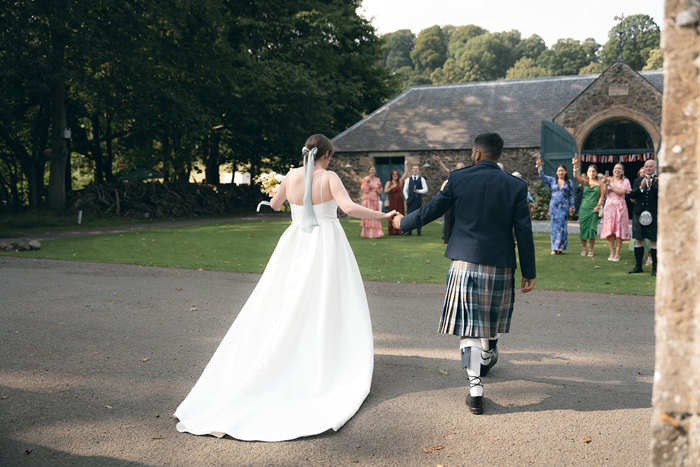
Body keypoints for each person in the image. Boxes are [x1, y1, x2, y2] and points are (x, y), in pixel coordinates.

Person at [174, 134, 396, 441]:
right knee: (324, 297)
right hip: (325, 242)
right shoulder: (329, 177)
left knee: (284, 296)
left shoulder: (291, 176)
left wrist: (273, 189)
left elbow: (277, 204)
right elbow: (348, 207)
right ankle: (323, 352)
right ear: (327, 155)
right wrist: (382, 214)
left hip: (295, 241)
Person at [393, 133, 536, 415]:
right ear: (499, 154)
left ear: (476, 152)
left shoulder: (459, 178)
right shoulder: (515, 185)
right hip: (500, 264)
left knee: (468, 326)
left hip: (465, 262)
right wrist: (529, 270)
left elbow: (432, 209)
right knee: (488, 318)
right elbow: (524, 231)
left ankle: (475, 389)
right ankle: (487, 354)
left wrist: (403, 222)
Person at [535, 161, 575, 255]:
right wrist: (539, 167)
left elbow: (571, 195)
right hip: (554, 206)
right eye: (559, 171)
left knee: (562, 226)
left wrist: (572, 206)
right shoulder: (552, 180)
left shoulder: (569, 182)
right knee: (554, 227)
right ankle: (554, 248)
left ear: (565, 172)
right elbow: (542, 177)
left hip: (564, 206)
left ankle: (561, 246)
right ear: (556, 172)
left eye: (562, 171)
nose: (560, 172)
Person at [628, 159, 658, 276]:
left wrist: (652, 187)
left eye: (651, 166)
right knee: (638, 240)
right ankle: (638, 266)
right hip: (638, 213)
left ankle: (655, 269)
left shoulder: (659, 180)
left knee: (654, 240)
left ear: (655, 167)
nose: (648, 168)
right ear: (644, 168)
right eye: (646, 166)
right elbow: (631, 196)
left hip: (653, 213)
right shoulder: (638, 180)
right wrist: (640, 187)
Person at [572, 158, 606, 257]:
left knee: (592, 229)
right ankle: (583, 248)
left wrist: (598, 206)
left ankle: (591, 249)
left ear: (596, 172)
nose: (592, 173)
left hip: (594, 208)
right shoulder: (585, 182)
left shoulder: (600, 183)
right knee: (583, 229)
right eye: (590, 171)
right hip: (584, 208)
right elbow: (575, 176)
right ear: (587, 172)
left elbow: (602, 196)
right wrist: (575, 165)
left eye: (593, 171)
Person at [600, 163, 631, 261]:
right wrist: (605, 183)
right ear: (612, 170)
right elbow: (604, 193)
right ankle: (611, 253)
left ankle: (617, 253)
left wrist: (611, 186)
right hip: (609, 207)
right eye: (615, 168)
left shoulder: (625, 181)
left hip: (620, 208)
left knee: (618, 231)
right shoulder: (609, 180)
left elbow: (622, 192)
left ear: (622, 171)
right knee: (610, 231)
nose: (617, 170)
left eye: (619, 168)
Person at [432, 154, 466, 243]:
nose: (460, 168)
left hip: (462, 202)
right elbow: (445, 170)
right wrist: (439, 161)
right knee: (448, 220)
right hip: (452, 202)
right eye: (459, 167)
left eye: (462, 167)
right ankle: (447, 237)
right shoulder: (453, 175)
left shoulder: (466, 176)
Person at [402, 165, 429, 236]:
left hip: (418, 199)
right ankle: (409, 231)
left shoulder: (421, 179)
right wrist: (407, 198)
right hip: (410, 200)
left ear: (418, 170)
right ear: (412, 170)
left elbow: (426, 189)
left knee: (418, 215)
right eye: (414, 169)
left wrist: (419, 191)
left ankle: (419, 231)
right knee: (409, 215)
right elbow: (404, 190)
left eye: (417, 169)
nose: (415, 170)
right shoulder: (408, 179)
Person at [360, 166, 384, 238]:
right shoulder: (365, 179)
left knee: (374, 215)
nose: (372, 172)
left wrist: (379, 188)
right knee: (367, 215)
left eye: (373, 170)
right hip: (367, 199)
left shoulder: (377, 179)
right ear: (369, 171)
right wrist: (368, 184)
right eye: (371, 170)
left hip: (375, 199)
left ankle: (375, 233)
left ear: (375, 172)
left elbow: (380, 191)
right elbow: (365, 190)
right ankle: (366, 233)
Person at [384, 168, 406, 235]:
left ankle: (399, 231)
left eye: (396, 174)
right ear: (391, 175)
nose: (395, 175)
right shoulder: (389, 182)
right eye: (393, 174)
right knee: (392, 214)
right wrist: (391, 188)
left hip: (399, 201)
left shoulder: (400, 181)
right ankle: (392, 231)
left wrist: (406, 164)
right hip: (392, 200)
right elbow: (385, 191)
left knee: (400, 214)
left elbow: (406, 174)